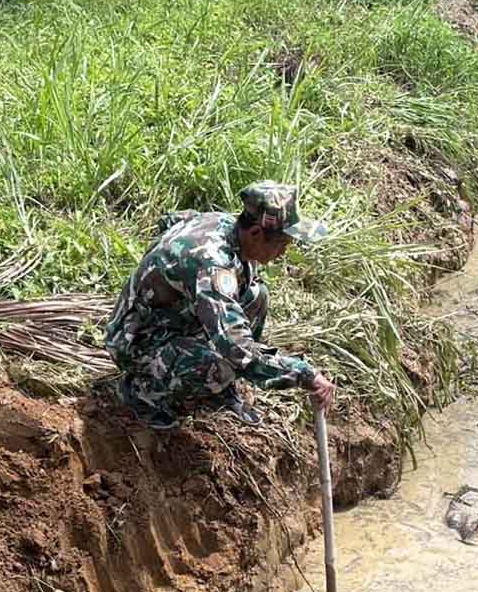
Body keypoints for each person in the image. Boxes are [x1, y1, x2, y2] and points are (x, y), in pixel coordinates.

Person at [107, 180, 336, 429]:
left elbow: (170, 221)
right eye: (281, 244)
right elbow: (237, 350)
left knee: (257, 295)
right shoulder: (212, 265)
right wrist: (303, 374)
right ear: (256, 233)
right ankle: (142, 393)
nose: (283, 253)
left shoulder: (225, 224)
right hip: (137, 339)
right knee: (220, 365)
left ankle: (219, 387)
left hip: (172, 316)